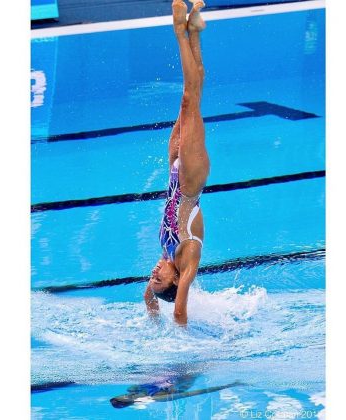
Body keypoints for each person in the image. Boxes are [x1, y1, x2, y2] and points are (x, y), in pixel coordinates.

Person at [144, 0, 210, 326]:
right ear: (174, 280)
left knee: (190, 101)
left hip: (173, 170)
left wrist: (152, 309)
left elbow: (148, 294)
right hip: (191, 181)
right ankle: (181, 31)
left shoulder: (166, 258)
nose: (153, 273)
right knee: (188, 98)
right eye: (158, 278)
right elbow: (180, 310)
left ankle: (195, 32)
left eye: (152, 277)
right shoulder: (188, 258)